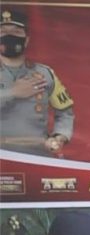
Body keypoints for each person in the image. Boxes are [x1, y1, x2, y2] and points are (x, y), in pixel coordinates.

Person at [0, 9, 74, 157]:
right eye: (3, 32)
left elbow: (65, 112)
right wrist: (12, 92)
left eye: (16, 32)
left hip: (37, 155)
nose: (10, 36)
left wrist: (59, 137)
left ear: (26, 40)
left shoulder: (45, 74)